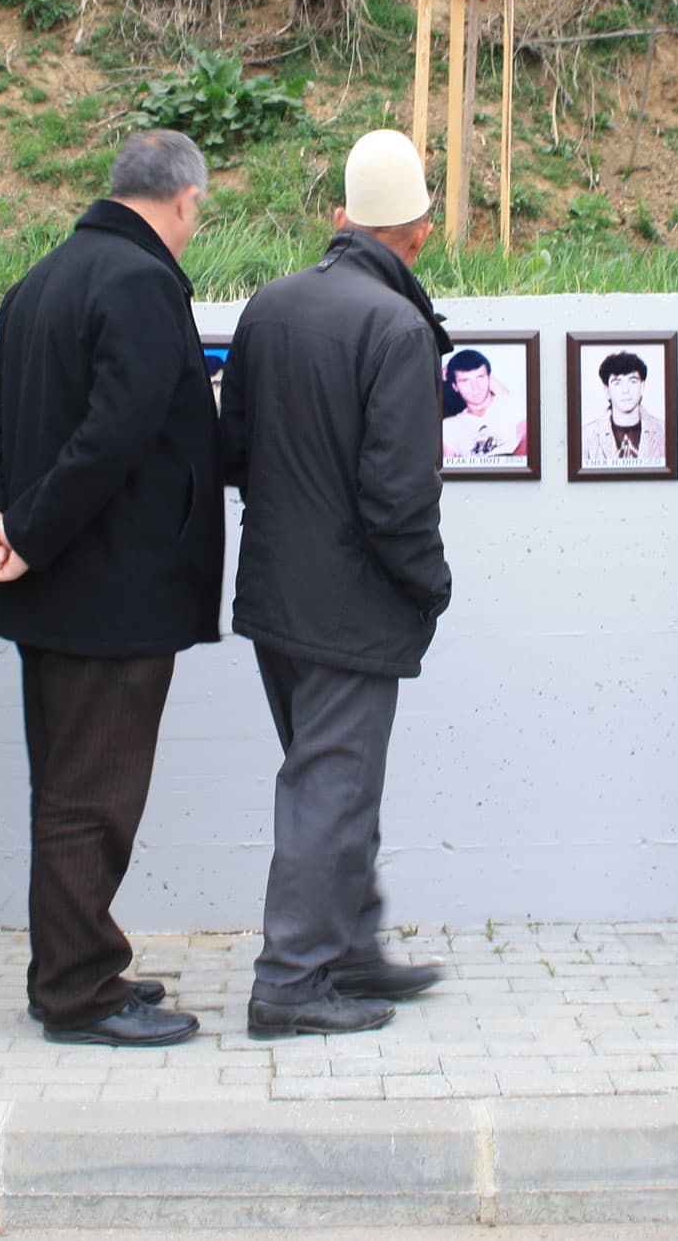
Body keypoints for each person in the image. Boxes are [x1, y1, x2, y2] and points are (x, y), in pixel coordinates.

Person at [0, 131, 223, 1048]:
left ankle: (73, 963)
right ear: (184, 199)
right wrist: (22, 534)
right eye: (198, 211)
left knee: (66, 788)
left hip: (56, 593)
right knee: (92, 798)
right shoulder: (141, 282)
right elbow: (116, 433)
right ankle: (78, 991)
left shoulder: (40, 280)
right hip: (115, 593)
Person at [221, 130, 452, 1038]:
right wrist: (430, 585)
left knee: (333, 781)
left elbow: (233, 450)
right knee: (331, 789)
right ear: (421, 232)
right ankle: (290, 980)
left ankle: (350, 946)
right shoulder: (396, 328)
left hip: (274, 595)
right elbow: (399, 496)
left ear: (340, 216)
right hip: (352, 606)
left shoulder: (270, 305)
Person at [441, 349, 526, 464]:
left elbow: (529, 439)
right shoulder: (449, 426)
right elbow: (446, 467)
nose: (475, 387)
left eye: (480, 377)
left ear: (489, 379)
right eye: (465, 381)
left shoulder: (513, 405)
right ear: (455, 386)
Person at [580, 352, 665, 466]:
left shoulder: (664, 431)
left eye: (633, 381)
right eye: (617, 383)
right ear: (607, 391)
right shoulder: (585, 436)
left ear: (642, 387)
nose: (625, 390)